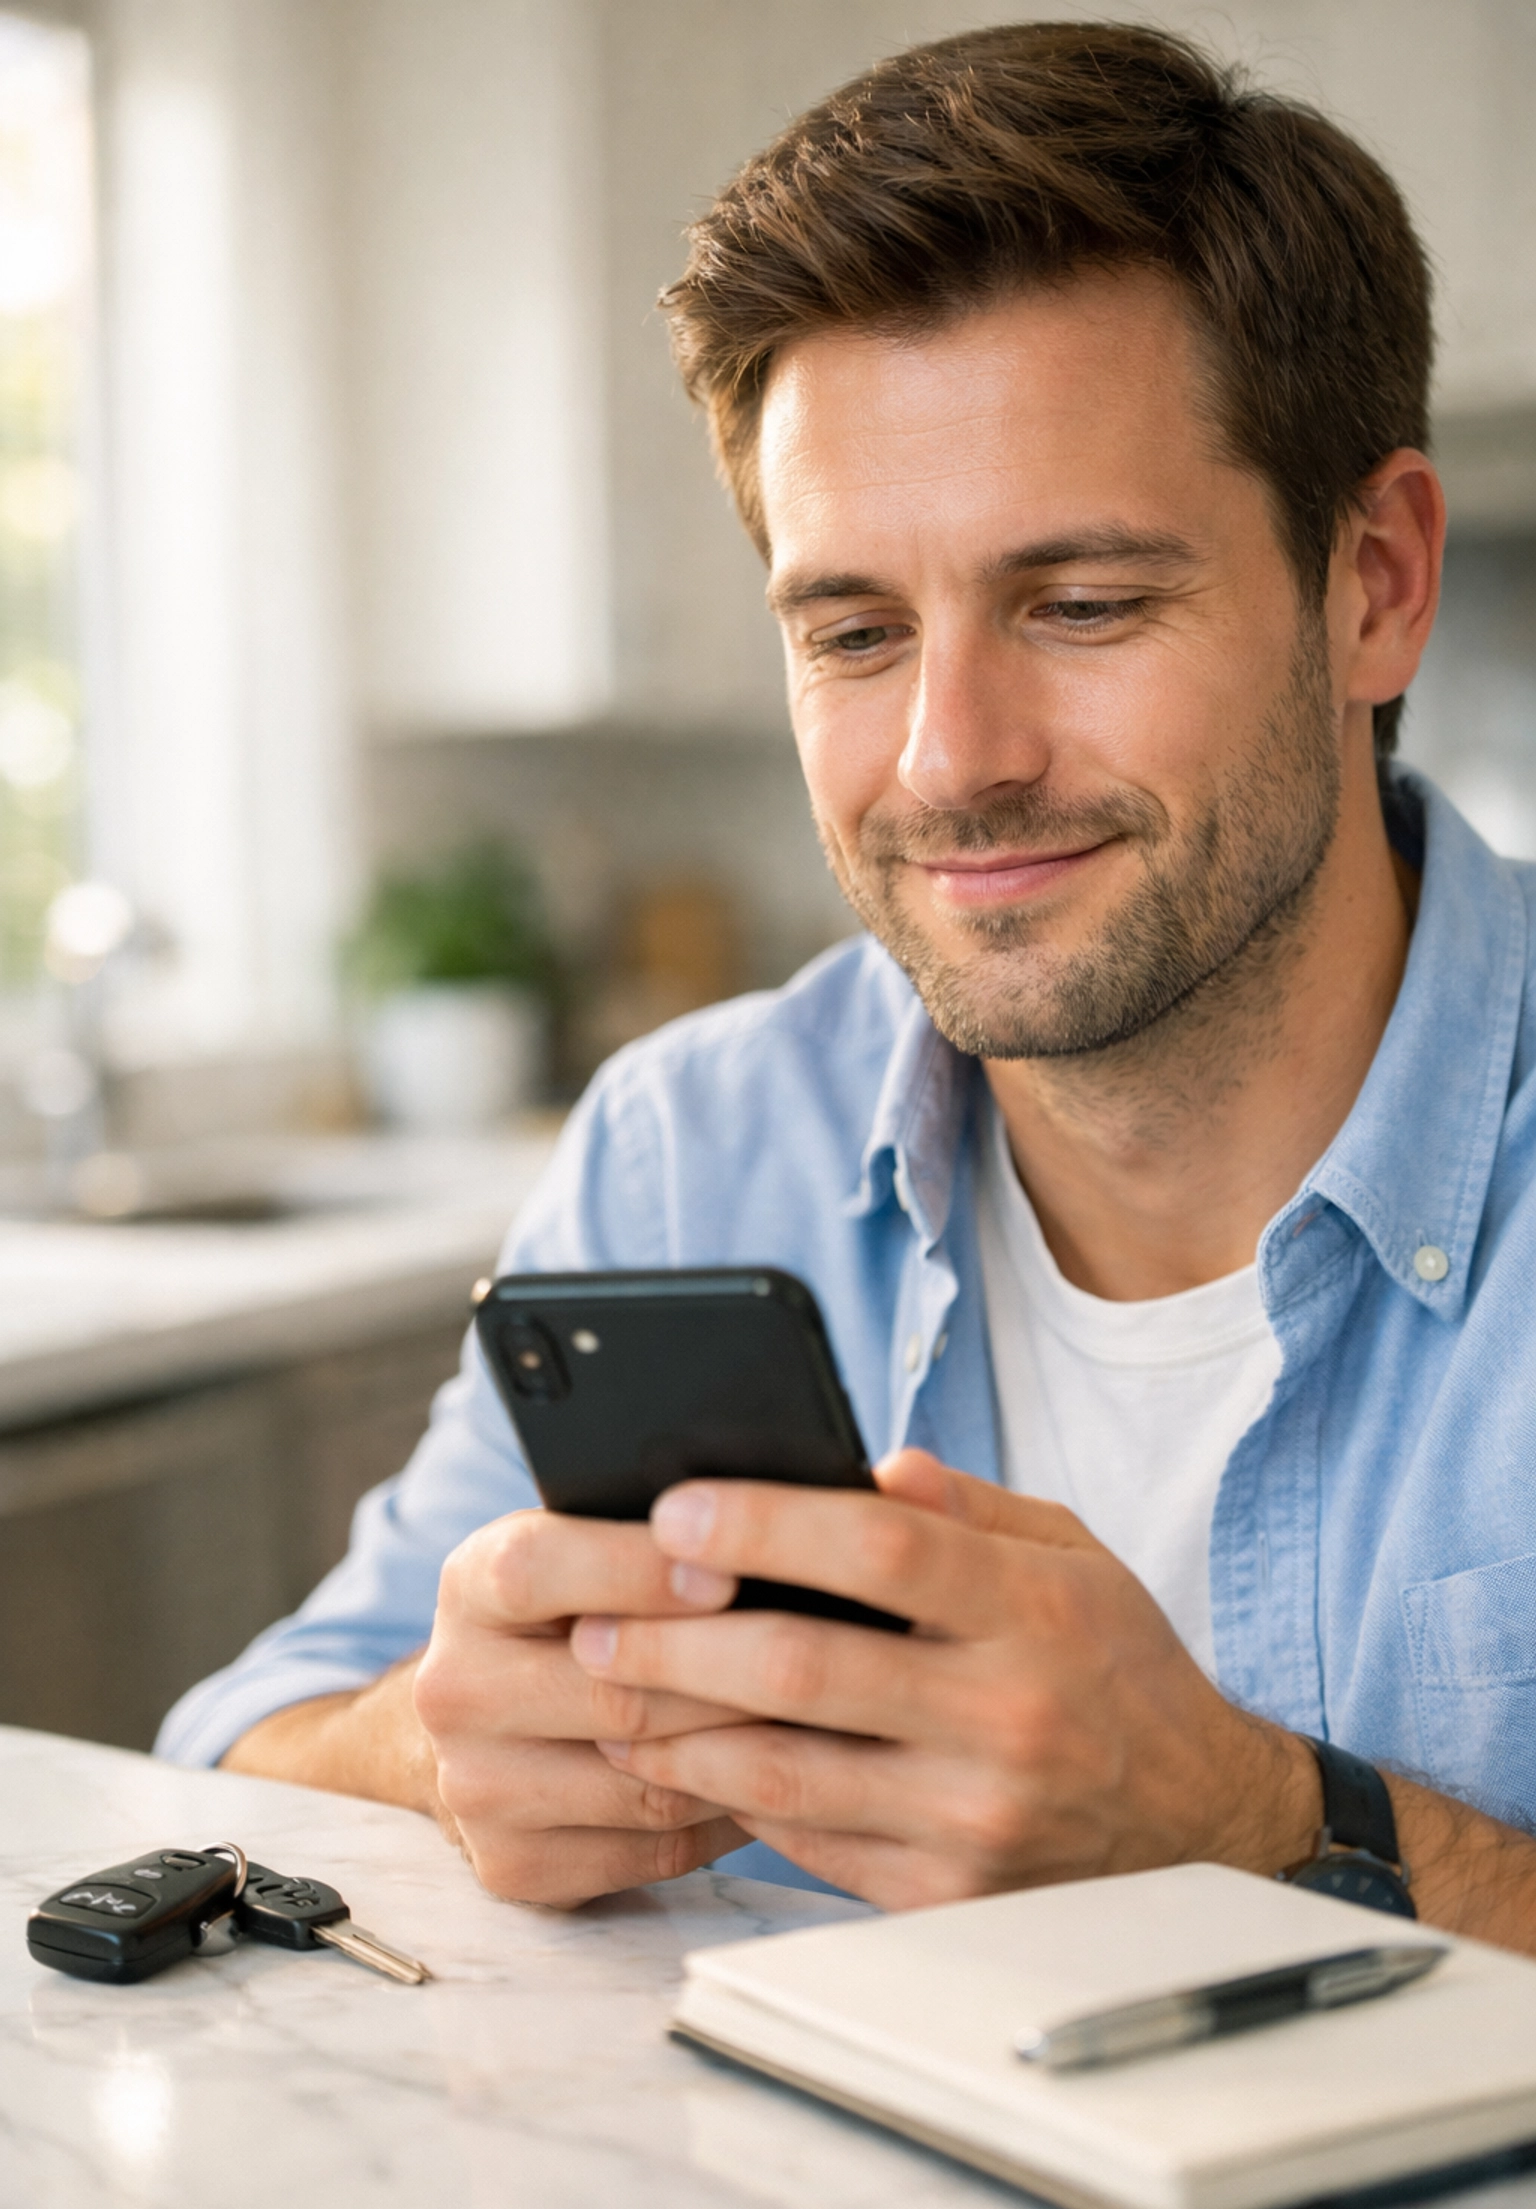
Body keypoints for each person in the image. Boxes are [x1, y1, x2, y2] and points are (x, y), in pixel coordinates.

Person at [159, 21, 1536, 1948]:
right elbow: (236, 1755)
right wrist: (441, 1751)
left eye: (1083, 605)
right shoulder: (694, 1146)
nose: (949, 759)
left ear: (1375, 582)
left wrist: (1255, 1825)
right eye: (856, 632)